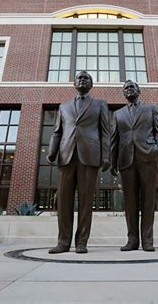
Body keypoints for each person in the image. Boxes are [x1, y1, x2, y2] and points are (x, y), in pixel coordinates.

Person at [47, 71, 111, 254]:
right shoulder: (63, 106)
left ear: (91, 84)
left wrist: (106, 156)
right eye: (79, 77)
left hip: (89, 156)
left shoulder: (100, 104)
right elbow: (57, 131)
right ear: (74, 83)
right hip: (66, 155)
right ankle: (63, 242)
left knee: (85, 202)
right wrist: (52, 151)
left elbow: (105, 131)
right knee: (64, 201)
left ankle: (81, 242)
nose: (82, 80)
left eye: (86, 78)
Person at [111, 80, 158, 252]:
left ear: (139, 90)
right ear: (123, 93)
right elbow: (114, 140)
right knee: (130, 202)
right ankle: (132, 240)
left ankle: (147, 240)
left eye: (132, 87)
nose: (129, 90)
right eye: (126, 88)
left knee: (148, 200)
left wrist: (157, 151)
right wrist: (113, 161)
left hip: (147, 157)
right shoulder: (118, 114)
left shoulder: (151, 109)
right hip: (126, 160)